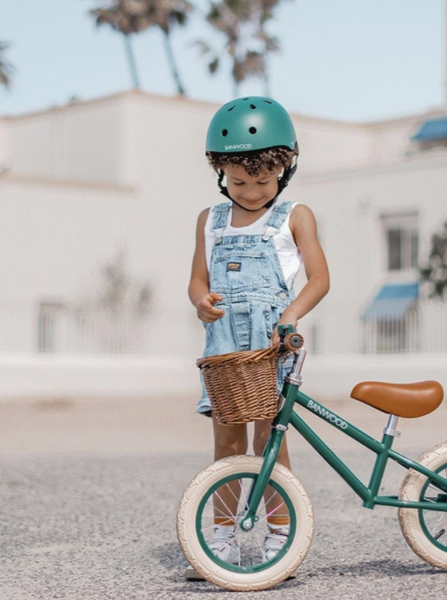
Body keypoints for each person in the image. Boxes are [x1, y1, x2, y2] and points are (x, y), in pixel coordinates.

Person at [187, 96, 330, 577]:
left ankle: (280, 541)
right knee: (227, 446)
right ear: (221, 172)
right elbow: (197, 281)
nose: (249, 192)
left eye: (261, 181)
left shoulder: (295, 216)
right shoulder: (210, 220)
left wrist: (290, 314)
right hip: (226, 347)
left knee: (272, 443)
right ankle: (223, 541)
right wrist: (201, 301)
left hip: (270, 345)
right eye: (238, 181)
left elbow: (318, 279)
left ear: (284, 168)